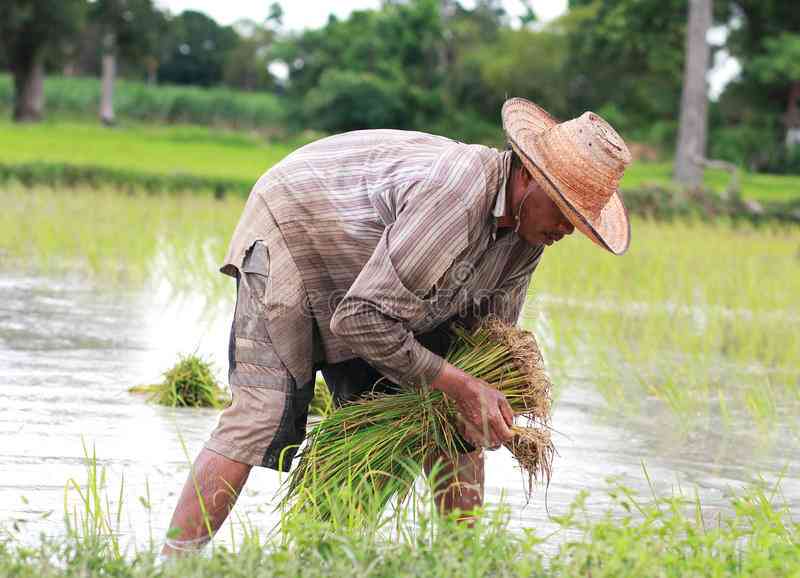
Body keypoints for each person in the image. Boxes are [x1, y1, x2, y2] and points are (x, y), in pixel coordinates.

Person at [162, 97, 632, 555]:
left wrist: (478, 396)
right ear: (528, 176)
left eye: (579, 220)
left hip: (367, 273)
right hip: (293, 226)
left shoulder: (530, 237)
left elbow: (482, 341)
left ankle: (457, 562)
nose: (568, 230)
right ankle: (174, 562)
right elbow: (360, 318)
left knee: (453, 416)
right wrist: (459, 384)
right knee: (262, 412)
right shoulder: (456, 198)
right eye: (564, 211)